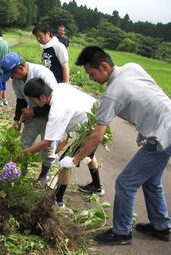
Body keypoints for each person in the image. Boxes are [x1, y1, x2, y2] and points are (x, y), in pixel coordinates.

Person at [59, 46, 171, 245]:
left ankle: (121, 233)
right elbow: (150, 96)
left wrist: (74, 160)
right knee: (152, 181)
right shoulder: (132, 67)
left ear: (104, 66)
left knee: (125, 183)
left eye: (91, 74)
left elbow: (96, 137)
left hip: (163, 136)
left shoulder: (111, 95)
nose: (91, 79)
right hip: (167, 125)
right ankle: (161, 226)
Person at [21, 77, 104, 213]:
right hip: (99, 118)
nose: (32, 103)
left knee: (66, 162)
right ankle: (96, 186)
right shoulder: (60, 87)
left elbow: (47, 143)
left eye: (33, 100)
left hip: (91, 130)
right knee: (88, 154)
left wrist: (22, 153)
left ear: (42, 97)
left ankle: (58, 201)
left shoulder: (56, 111)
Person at [0, 52, 57, 190]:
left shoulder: (43, 74)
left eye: (12, 74)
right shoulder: (17, 80)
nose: (12, 78)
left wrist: (34, 111)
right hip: (31, 115)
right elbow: (20, 99)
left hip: (50, 116)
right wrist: (16, 119)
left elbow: (54, 103)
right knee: (24, 144)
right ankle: (20, 173)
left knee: (48, 148)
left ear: (20, 69)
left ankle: (43, 176)